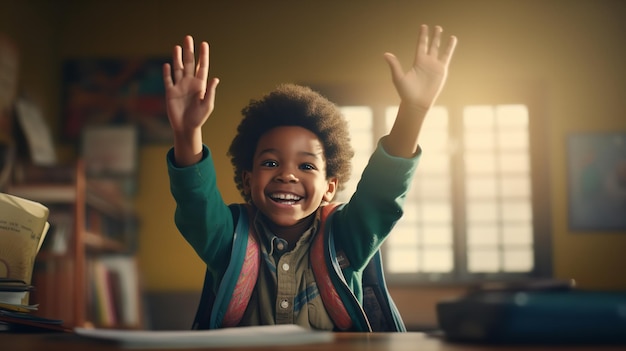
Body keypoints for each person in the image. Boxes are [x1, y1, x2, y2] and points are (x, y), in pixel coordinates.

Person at [163, 24, 457, 331]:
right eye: (271, 162)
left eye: (306, 166)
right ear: (248, 180)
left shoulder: (346, 238)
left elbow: (382, 193)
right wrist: (186, 133)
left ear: (330, 188)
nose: (287, 174)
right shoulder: (228, 240)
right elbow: (197, 204)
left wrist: (413, 110)